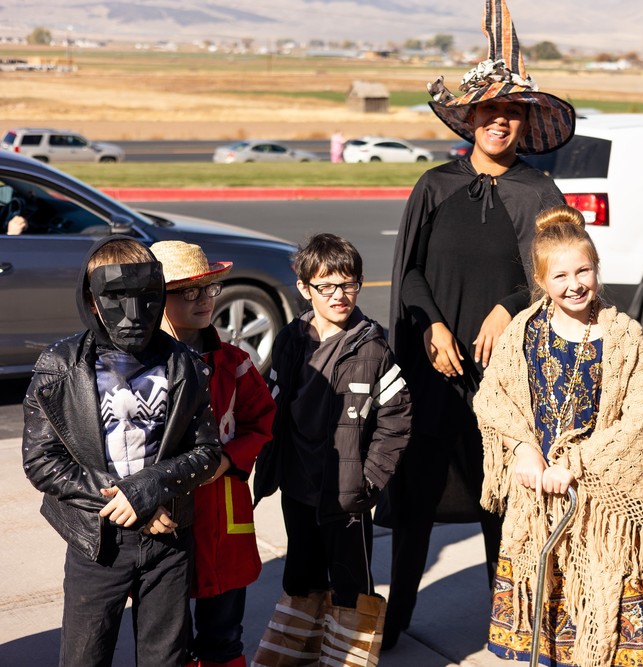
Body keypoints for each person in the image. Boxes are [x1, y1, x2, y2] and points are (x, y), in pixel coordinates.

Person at [383, 0, 574, 648]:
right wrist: (431, 326)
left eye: (510, 112)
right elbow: (408, 272)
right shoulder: (434, 186)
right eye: (488, 111)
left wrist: (510, 305)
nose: (499, 121)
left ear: (522, 121)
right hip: (434, 374)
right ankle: (395, 617)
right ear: (470, 119)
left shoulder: (540, 194)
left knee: (503, 505)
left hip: (507, 384)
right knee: (416, 501)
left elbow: (563, 277)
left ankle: (513, 624)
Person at [474, 205, 643, 666]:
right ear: (541, 281)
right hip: (539, 501)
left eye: (584, 270)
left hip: (602, 510)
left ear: (597, 270)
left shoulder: (624, 337)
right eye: (561, 275)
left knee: (608, 632)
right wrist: (523, 448)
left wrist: (575, 464)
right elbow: (493, 398)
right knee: (546, 631)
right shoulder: (524, 332)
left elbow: (642, 421)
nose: (575, 283)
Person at [21, 235, 222, 667]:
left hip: (167, 542)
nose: (133, 316)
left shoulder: (185, 364)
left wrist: (151, 487)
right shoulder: (61, 368)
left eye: (147, 298)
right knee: (85, 656)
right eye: (116, 298)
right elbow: (42, 461)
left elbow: (206, 451)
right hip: (96, 543)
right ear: (92, 301)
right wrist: (127, 499)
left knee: (164, 657)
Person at [253, 233, 411, 628]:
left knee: (351, 585)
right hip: (297, 484)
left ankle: (349, 651)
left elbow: (397, 418)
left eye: (348, 284)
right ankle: (300, 650)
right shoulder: (291, 339)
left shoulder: (373, 348)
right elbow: (269, 404)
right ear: (306, 289)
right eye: (326, 286)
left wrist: (369, 480)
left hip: (346, 493)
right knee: (301, 578)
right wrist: (270, 465)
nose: (339, 295)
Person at [150, 241, 276, 667]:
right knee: (167, 639)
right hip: (163, 519)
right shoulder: (135, 368)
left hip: (222, 512)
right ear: (154, 297)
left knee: (223, 635)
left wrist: (227, 460)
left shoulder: (235, 362)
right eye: (188, 291)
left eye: (209, 289)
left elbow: (262, 421)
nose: (204, 299)